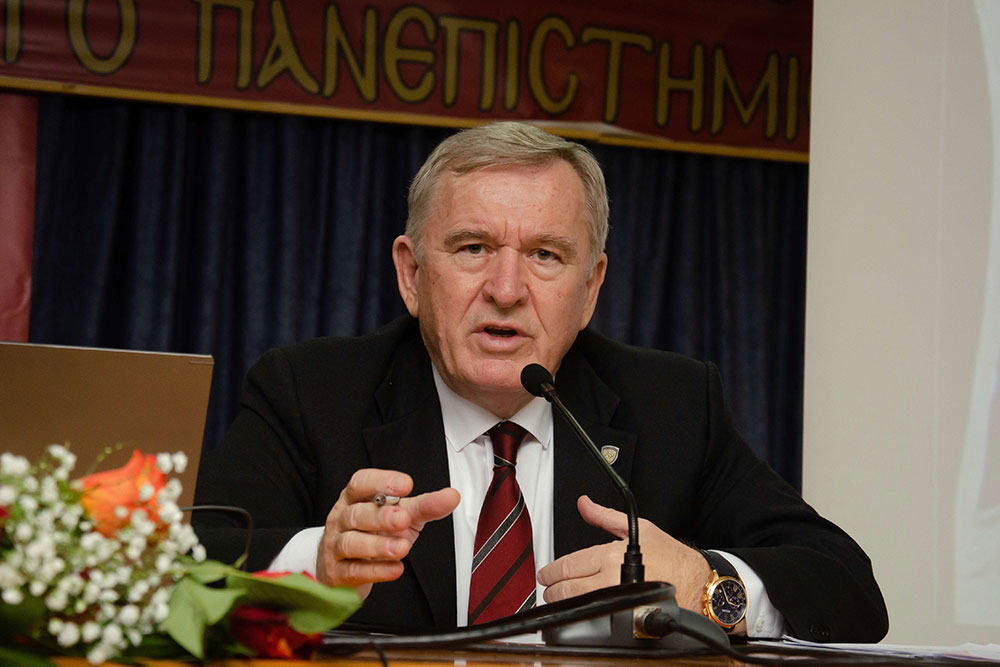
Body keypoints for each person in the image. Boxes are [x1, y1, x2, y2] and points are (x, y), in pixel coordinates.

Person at [193, 122, 888, 642]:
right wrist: (316, 564)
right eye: (473, 248)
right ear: (411, 274)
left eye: (545, 255)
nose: (506, 289)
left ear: (591, 289)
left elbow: (848, 588)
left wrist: (703, 585)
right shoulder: (311, 391)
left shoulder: (672, 405)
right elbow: (177, 568)